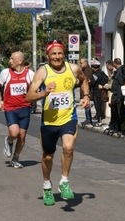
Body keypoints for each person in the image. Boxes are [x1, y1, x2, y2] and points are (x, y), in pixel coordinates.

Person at [26, 40, 90, 206]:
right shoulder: (42, 72)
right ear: (48, 56)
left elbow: (84, 80)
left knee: (68, 147)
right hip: (49, 121)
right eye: (53, 54)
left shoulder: (73, 68)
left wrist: (86, 96)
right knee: (48, 156)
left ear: (64, 54)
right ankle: (47, 185)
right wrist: (44, 93)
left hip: (68, 118)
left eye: (60, 53)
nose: (57, 57)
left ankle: (64, 181)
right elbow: (28, 96)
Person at [0, 51, 35, 168]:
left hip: (25, 108)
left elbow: (36, 85)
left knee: (22, 136)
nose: (10, 61)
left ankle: (16, 158)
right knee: (14, 133)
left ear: (20, 61)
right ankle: (9, 140)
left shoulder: (29, 74)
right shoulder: (6, 73)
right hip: (10, 108)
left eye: (12, 59)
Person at [89, 59, 109, 127]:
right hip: (102, 92)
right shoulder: (102, 73)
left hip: (96, 92)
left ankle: (99, 121)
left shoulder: (95, 74)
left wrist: (89, 82)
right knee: (100, 107)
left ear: (93, 67)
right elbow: (107, 79)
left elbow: (92, 83)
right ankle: (99, 119)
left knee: (97, 107)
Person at [79, 58, 93, 126]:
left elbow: (86, 81)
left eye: (81, 63)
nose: (80, 65)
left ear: (85, 63)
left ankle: (88, 119)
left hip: (87, 92)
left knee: (87, 105)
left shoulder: (88, 70)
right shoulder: (84, 70)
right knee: (86, 105)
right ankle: (88, 118)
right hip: (83, 91)